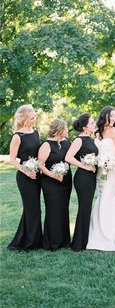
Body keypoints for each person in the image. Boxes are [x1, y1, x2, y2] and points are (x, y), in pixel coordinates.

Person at [86, 106, 115, 251]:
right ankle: (96, 233)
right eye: (112, 116)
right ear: (105, 116)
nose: (114, 119)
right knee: (102, 196)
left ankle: (110, 235)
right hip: (99, 170)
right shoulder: (97, 131)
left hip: (111, 170)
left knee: (107, 197)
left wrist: (112, 163)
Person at [8, 104, 42, 251]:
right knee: (31, 208)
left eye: (35, 117)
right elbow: (12, 159)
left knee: (35, 208)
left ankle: (33, 239)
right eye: (32, 117)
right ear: (25, 118)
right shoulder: (17, 136)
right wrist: (26, 171)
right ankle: (28, 243)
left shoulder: (36, 133)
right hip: (24, 177)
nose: (34, 120)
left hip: (37, 176)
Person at [65, 113, 98, 251]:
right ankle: (79, 243)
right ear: (85, 127)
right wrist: (85, 166)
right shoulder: (79, 140)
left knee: (87, 208)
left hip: (91, 177)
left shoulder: (91, 138)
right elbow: (68, 157)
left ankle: (86, 239)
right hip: (83, 178)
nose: (94, 124)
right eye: (91, 123)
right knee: (84, 208)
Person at [38, 119, 72, 251]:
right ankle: (52, 242)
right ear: (58, 130)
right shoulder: (46, 145)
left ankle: (64, 241)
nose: (67, 130)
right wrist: (54, 175)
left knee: (63, 210)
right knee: (53, 210)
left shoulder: (67, 143)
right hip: (50, 183)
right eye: (65, 128)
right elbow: (40, 165)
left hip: (66, 182)